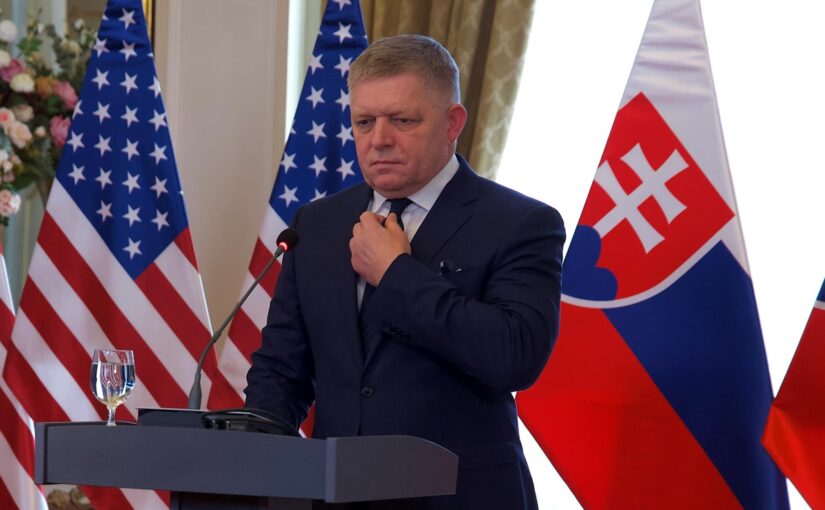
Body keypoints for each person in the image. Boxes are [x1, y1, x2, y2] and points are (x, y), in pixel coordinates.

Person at [245, 34, 565, 510]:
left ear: (453, 122)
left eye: (402, 120)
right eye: (364, 122)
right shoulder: (317, 224)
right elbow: (282, 369)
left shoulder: (520, 223)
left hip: (460, 497)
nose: (379, 140)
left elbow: (514, 356)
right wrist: (254, 463)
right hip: (334, 496)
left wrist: (396, 272)